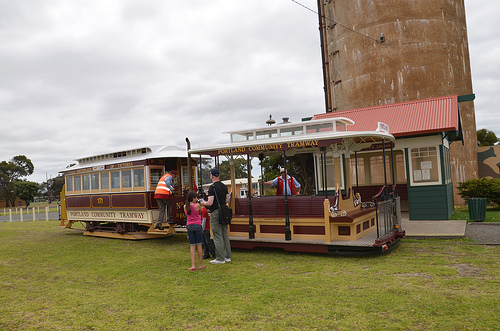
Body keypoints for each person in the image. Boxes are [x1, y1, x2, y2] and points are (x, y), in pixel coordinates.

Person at [199, 168, 231, 264]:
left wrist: (203, 202)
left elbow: (210, 202)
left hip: (216, 212)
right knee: (224, 234)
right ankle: (227, 256)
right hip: (224, 212)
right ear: (219, 175)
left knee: (217, 235)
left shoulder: (212, 187)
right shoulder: (224, 186)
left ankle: (220, 258)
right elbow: (227, 200)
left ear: (211, 176)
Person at [184, 191, 205, 271]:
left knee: (192, 246)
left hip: (189, 225)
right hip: (198, 225)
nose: (197, 199)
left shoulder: (185, 206)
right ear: (193, 198)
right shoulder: (197, 205)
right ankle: (200, 264)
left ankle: (193, 265)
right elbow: (200, 212)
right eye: (196, 197)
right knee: (199, 245)